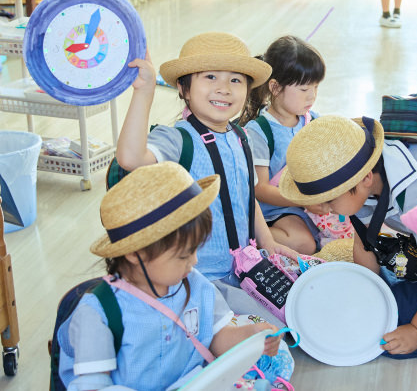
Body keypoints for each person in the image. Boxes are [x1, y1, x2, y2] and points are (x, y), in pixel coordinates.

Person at [278, 116, 417, 358]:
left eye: (329, 200)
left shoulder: (415, 196)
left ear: (365, 180)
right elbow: (364, 243)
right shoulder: (362, 176)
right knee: (389, 314)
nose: (320, 208)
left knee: (403, 331)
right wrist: (370, 297)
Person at [116, 32, 297, 319]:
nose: (224, 88)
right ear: (183, 88)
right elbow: (130, 158)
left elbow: (247, 200)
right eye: (210, 77)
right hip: (195, 279)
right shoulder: (178, 139)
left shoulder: (243, 137)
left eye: (235, 80)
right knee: (259, 339)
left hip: (244, 267)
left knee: (295, 316)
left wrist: (269, 243)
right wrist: (144, 92)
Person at [57, 162, 284, 390]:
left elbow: (216, 338)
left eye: (196, 250)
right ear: (136, 253)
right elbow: (93, 385)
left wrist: (250, 336)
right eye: (183, 255)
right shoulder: (99, 313)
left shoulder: (195, 285)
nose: (194, 261)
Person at [238, 35, 327, 255]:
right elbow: (261, 190)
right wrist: (304, 201)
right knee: (304, 244)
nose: (312, 96)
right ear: (275, 88)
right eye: (304, 89)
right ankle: (246, 237)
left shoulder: (312, 120)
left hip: (306, 204)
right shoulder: (259, 131)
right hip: (275, 210)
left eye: (315, 87)